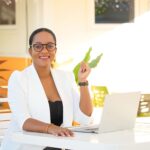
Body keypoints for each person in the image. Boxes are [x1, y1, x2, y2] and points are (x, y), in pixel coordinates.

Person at [0, 28, 93, 150]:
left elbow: (85, 117)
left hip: (59, 146)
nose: (44, 50)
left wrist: (83, 82)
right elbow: (24, 121)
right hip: (26, 147)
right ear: (30, 51)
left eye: (50, 46)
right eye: (38, 46)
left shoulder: (65, 77)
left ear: (55, 50)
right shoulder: (19, 78)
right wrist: (51, 128)